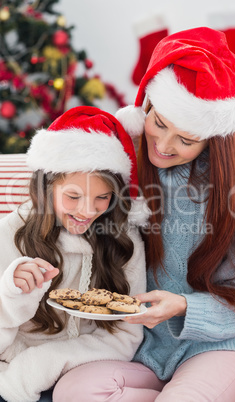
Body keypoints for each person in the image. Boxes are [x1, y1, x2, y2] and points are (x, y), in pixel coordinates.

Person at [53, 27, 235, 402]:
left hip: (225, 342)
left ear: (213, 137)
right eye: (159, 123)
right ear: (147, 105)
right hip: (146, 348)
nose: (163, 145)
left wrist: (184, 305)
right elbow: (55, 197)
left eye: (185, 139)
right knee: (73, 390)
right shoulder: (120, 161)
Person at [0, 106, 150, 402]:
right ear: (47, 188)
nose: (87, 211)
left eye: (101, 198)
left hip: (81, 375)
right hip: (10, 372)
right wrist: (11, 295)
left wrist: (42, 365)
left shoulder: (124, 240)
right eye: (72, 197)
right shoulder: (11, 232)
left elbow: (126, 335)